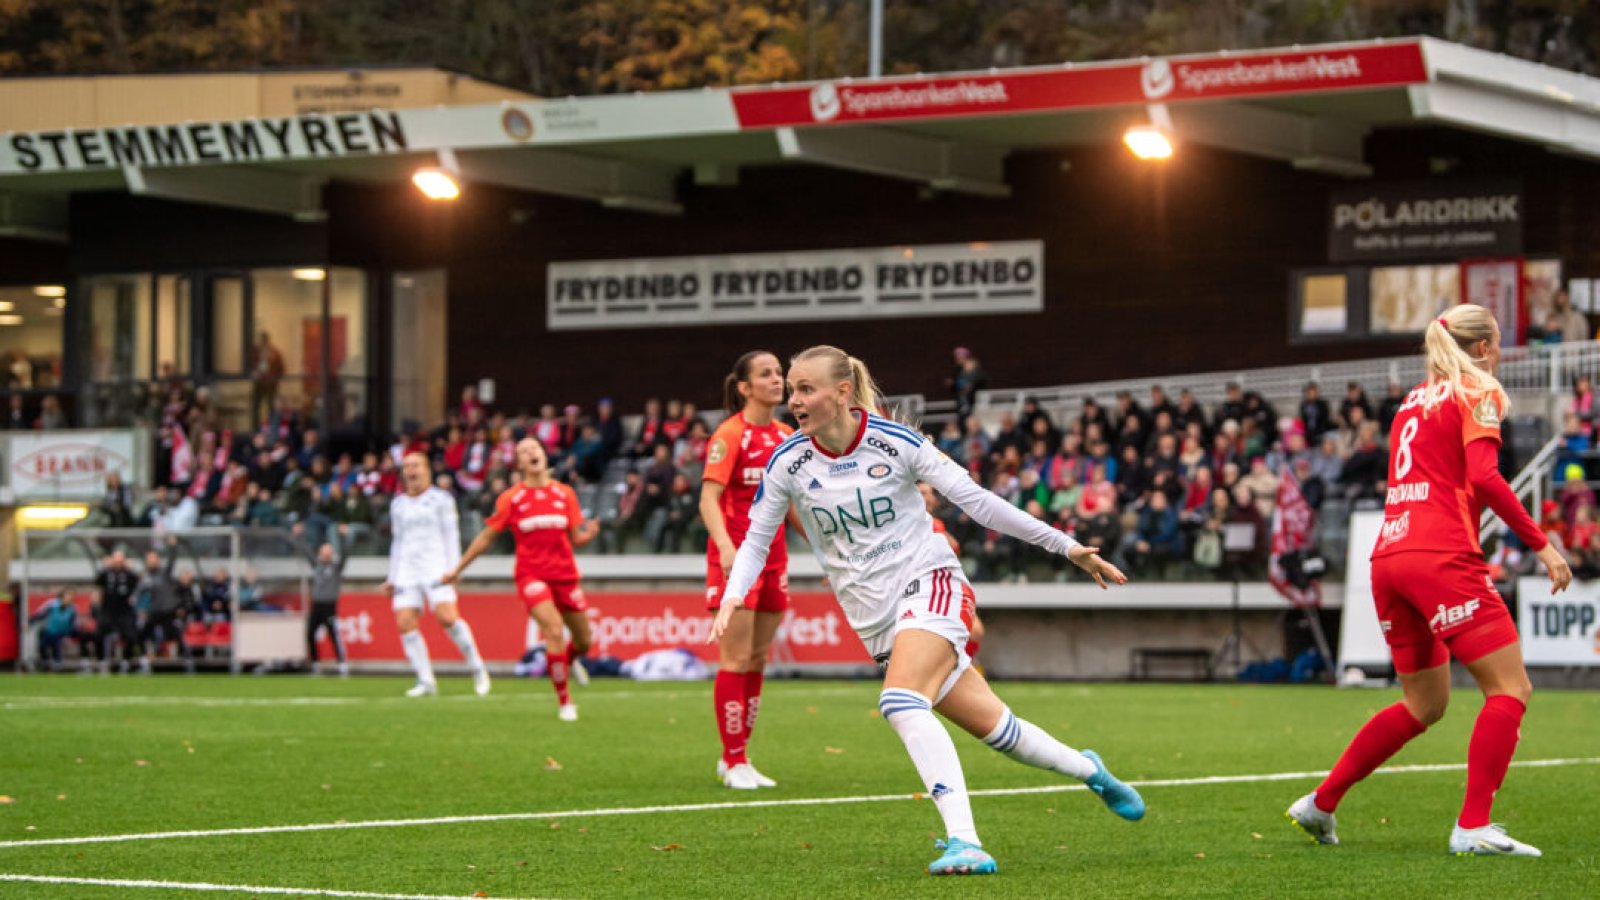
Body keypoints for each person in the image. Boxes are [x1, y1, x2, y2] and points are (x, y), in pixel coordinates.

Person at [709, 345, 1142, 876]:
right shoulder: (788, 462)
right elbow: (756, 540)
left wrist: (1066, 546)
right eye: (791, 389)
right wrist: (734, 594)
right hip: (876, 619)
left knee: (899, 701)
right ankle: (1090, 770)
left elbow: (979, 501)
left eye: (805, 389)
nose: (793, 400)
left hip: (930, 583)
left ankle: (965, 841)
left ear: (843, 393)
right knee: (999, 730)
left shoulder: (896, 443)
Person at [1286, 305, 1572, 857]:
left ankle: (1321, 803)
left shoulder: (1410, 404)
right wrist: (1543, 544)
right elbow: (1484, 476)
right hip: (1440, 555)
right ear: (1485, 348)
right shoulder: (1477, 390)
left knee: (1424, 704)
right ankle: (1472, 827)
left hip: (1389, 556)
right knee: (1510, 688)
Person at [443, 438, 597, 719]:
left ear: (543, 454)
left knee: (585, 641)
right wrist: (457, 569)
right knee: (552, 630)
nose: (530, 453)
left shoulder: (565, 494)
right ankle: (565, 702)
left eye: (534, 449)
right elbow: (486, 538)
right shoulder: (511, 498)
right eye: (523, 451)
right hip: (531, 576)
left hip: (565, 576)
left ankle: (567, 661)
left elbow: (576, 538)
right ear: (519, 463)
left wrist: (589, 535)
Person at [700, 350, 795, 790]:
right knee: (735, 658)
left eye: (779, 372)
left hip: (775, 560)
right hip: (737, 560)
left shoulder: (784, 434)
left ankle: (740, 756)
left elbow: (792, 505)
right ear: (744, 387)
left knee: (758, 658)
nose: (778, 379)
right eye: (766, 374)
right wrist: (724, 547)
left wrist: (827, 548)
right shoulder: (730, 433)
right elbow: (708, 498)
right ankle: (733, 759)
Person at [383, 452, 490, 698]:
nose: (411, 470)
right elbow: (397, 541)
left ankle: (477, 667)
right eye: (407, 466)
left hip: (436, 566)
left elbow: (450, 535)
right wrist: (392, 576)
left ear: (427, 469)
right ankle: (426, 680)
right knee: (405, 622)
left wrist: (454, 568)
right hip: (407, 569)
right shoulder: (398, 504)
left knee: (447, 617)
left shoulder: (441, 500)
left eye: (416, 465)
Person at [296, 522, 350, 676]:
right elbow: (306, 551)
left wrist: (343, 536)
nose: (326, 554)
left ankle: (341, 664)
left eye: (328, 551)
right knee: (310, 634)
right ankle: (316, 663)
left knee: (333, 636)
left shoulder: (336, 567)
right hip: (317, 605)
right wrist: (300, 535)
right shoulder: (317, 565)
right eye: (323, 551)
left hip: (329, 605)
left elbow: (346, 554)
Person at [250, 330, 286, 428]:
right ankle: (255, 428)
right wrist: (254, 373)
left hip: (271, 383)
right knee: (255, 406)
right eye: (262, 341)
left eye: (265, 341)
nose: (264, 343)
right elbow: (249, 366)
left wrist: (275, 379)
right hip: (259, 383)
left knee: (271, 407)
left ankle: (272, 427)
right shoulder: (255, 352)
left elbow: (281, 368)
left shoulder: (275, 352)